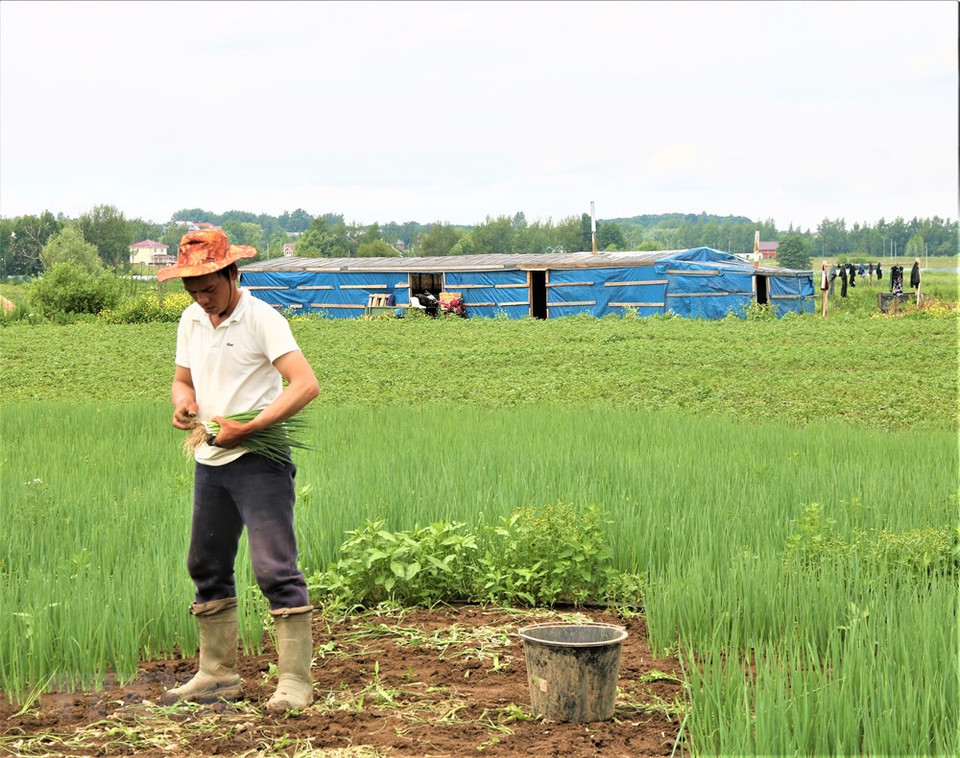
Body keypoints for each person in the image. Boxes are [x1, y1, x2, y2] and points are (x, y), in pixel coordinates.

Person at [156, 229, 320, 711]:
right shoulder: (191, 319)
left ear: (232, 273)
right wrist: (184, 405)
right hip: (211, 460)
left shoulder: (262, 318)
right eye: (193, 292)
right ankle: (216, 674)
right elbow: (182, 380)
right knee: (205, 565)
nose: (203, 300)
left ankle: (294, 682)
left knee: (274, 569)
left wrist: (248, 429)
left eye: (209, 288)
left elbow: (305, 384)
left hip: (259, 461)